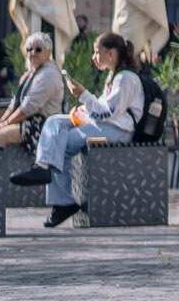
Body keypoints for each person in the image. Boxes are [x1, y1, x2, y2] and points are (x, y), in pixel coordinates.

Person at [9, 31, 143, 227]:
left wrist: (84, 95)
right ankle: (42, 166)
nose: (93, 57)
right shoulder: (114, 77)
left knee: (65, 142)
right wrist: (82, 111)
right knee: (55, 122)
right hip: (108, 125)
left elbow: (108, 113)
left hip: (120, 130)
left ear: (111, 54)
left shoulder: (125, 79)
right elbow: (102, 111)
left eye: (97, 52)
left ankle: (63, 201)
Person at [0, 33, 65, 149]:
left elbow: (29, 107)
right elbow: (15, 102)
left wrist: (6, 123)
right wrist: (2, 120)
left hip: (42, 126)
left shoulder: (49, 74)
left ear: (48, 51)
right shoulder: (29, 74)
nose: (33, 53)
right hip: (25, 122)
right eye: (29, 49)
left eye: (38, 49)